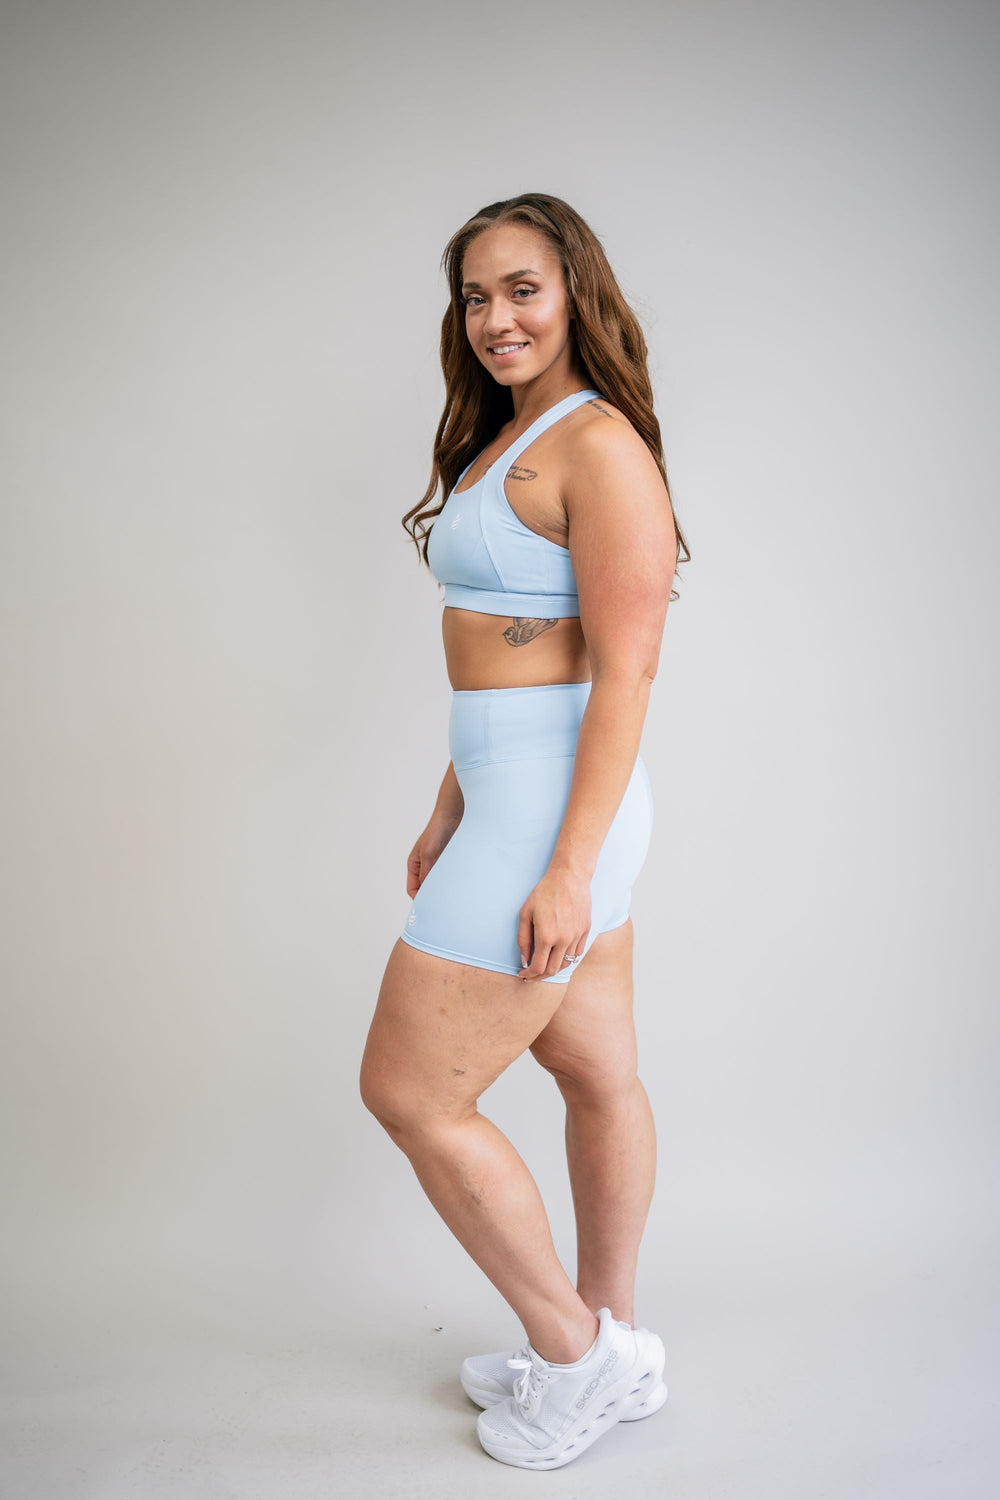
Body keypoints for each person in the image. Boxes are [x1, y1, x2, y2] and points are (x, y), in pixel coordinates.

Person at [360, 192, 690, 1471]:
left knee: (408, 1092)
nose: (495, 317)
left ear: (575, 296)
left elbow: (624, 676)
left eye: (522, 289)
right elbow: (507, 663)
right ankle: (613, 1343)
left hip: (563, 812)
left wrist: (565, 865)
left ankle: (571, 1350)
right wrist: (450, 803)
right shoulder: (512, 437)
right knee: (595, 1072)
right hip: (512, 796)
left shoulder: (599, 447)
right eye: (474, 295)